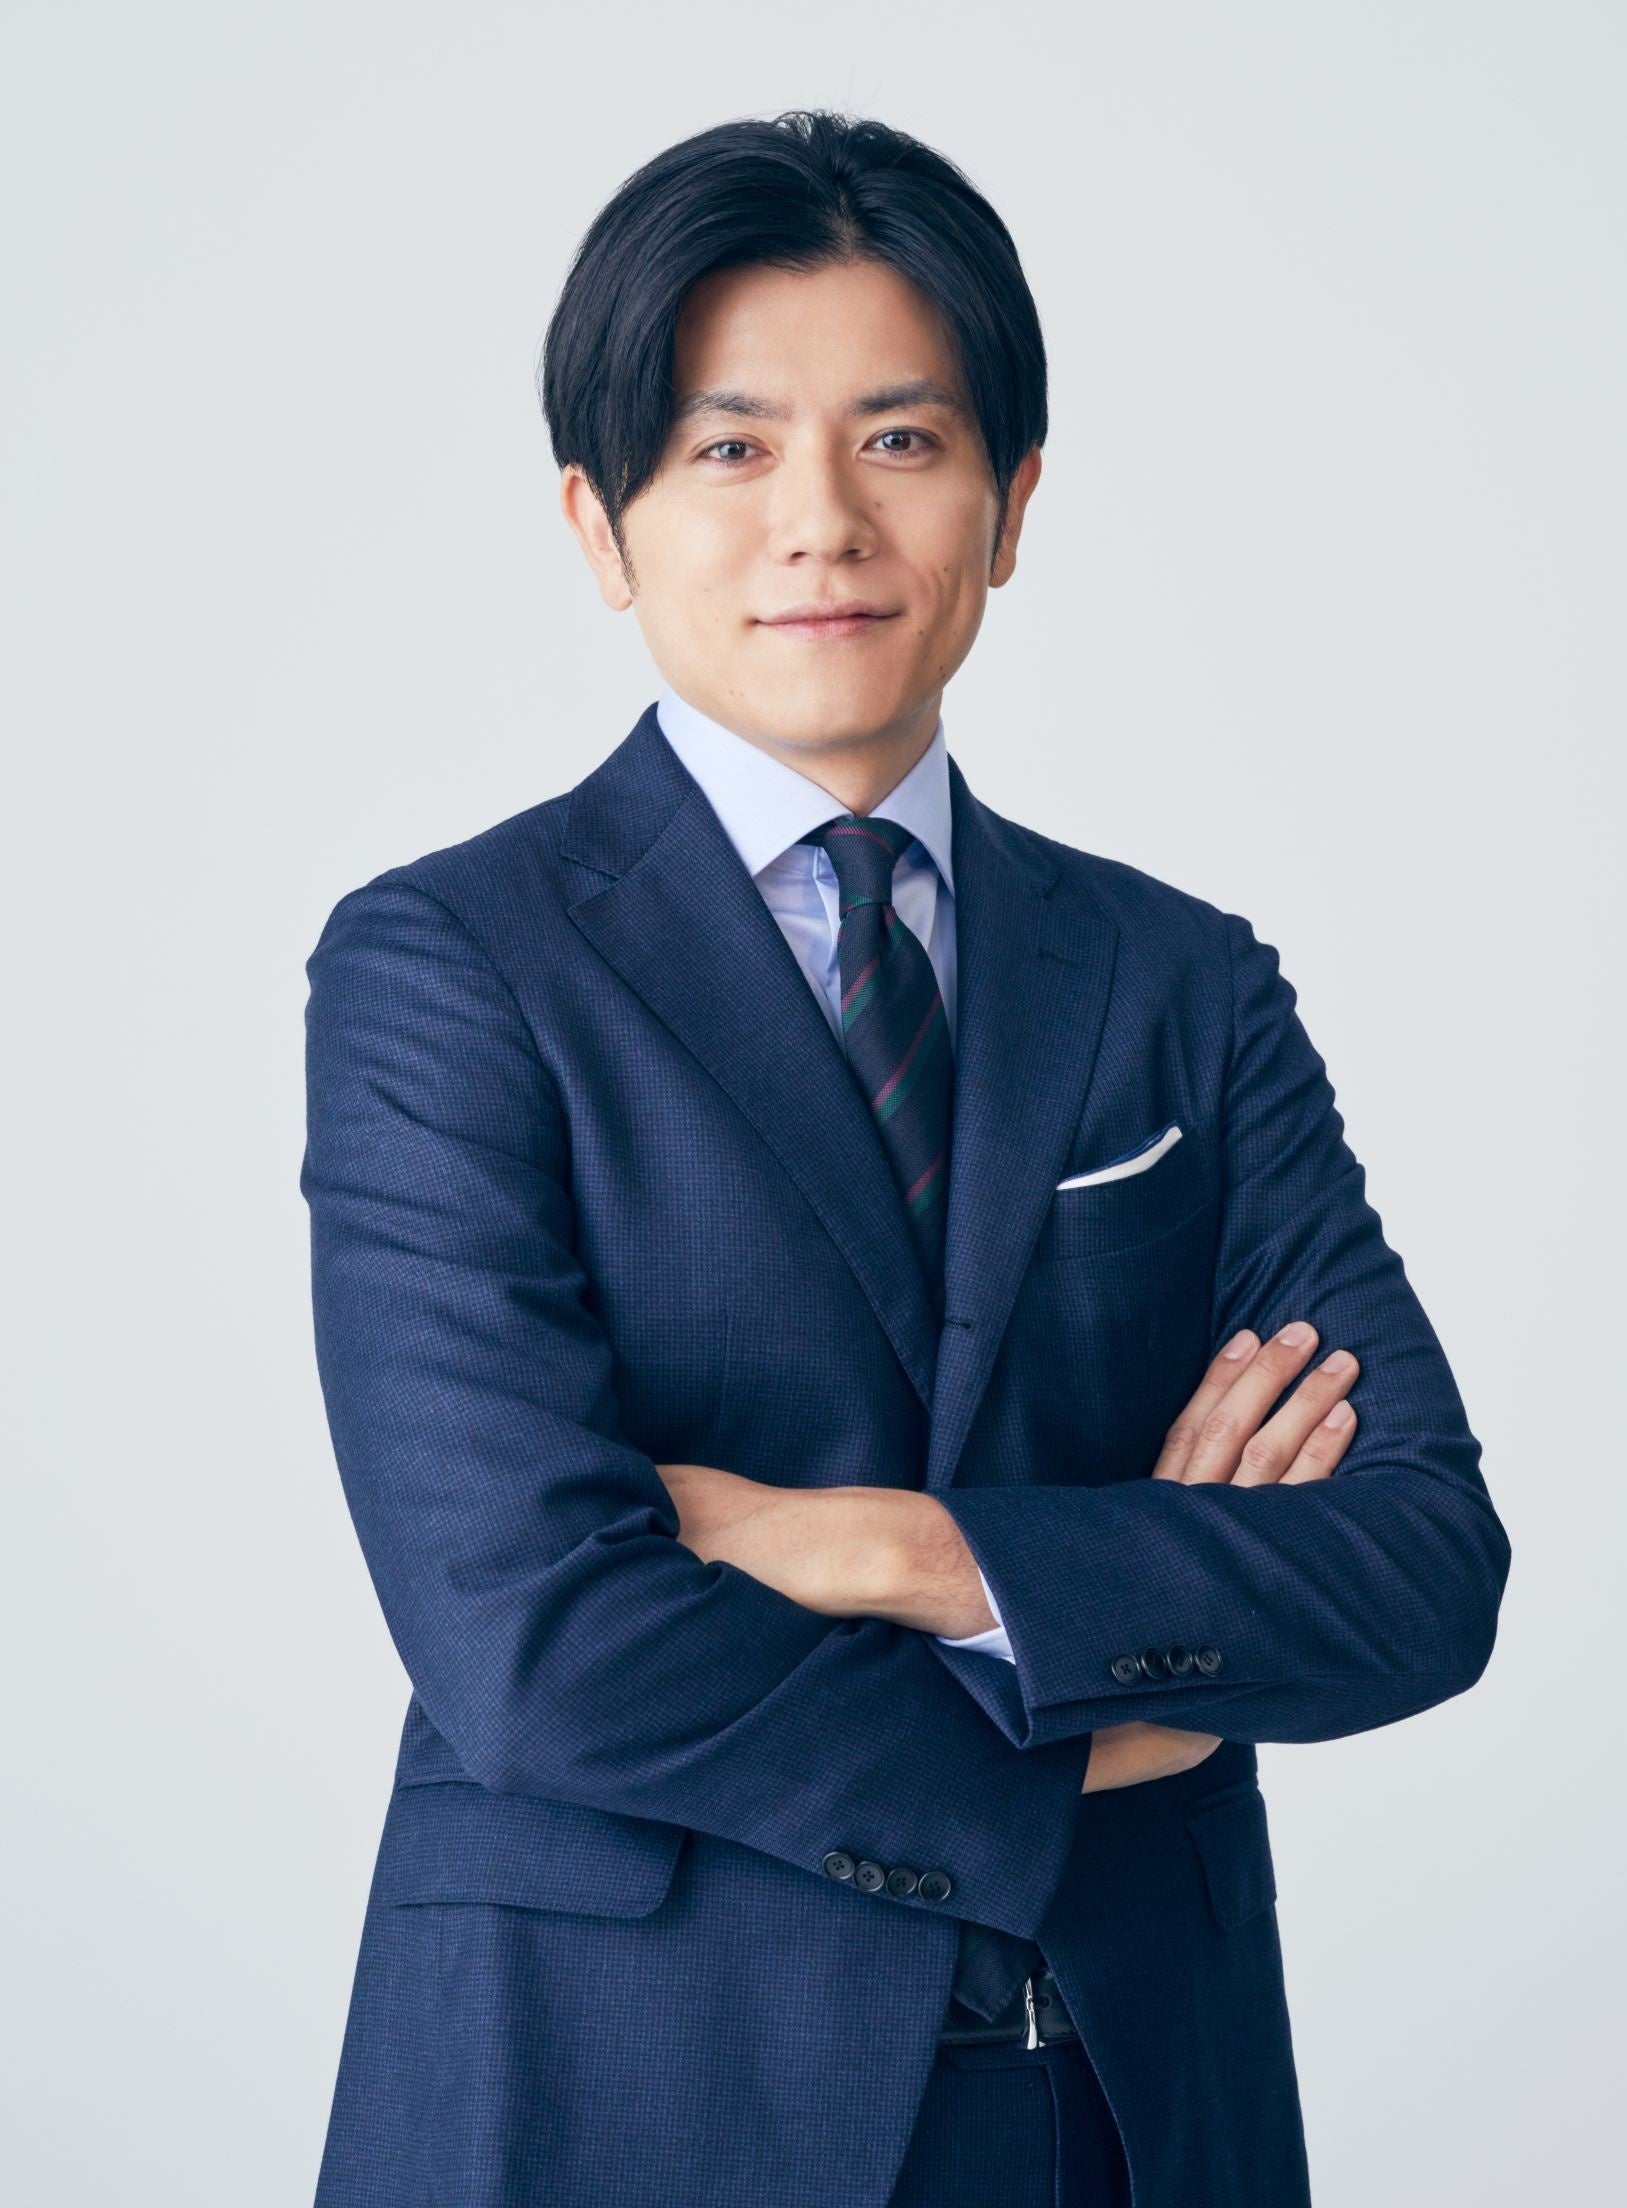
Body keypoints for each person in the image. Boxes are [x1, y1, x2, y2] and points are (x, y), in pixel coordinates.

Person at [300, 109, 1511, 2208]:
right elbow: (534, 1640)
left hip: (1128, 2112)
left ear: (1012, 502)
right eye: (731, 447)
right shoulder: (449, 968)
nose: (821, 525)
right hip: (623, 2101)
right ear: (600, 523)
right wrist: (1106, 1696)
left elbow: (1417, 1566)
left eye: (901, 441)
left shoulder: (1179, 983)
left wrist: (891, 1552)